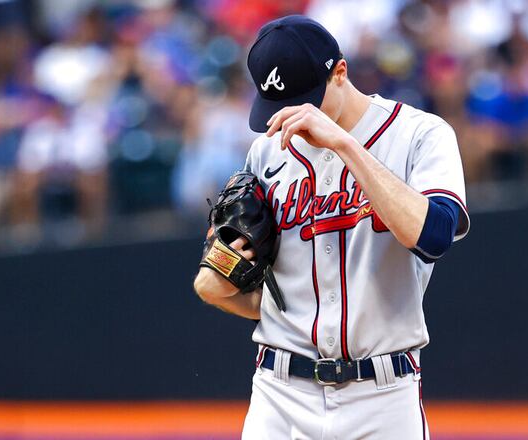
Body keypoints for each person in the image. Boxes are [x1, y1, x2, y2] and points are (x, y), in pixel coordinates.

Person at [193, 15, 469, 439]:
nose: (292, 116)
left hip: (383, 396)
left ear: (340, 72)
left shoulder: (420, 134)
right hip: (279, 394)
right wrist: (220, 278)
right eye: (279, 105)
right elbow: (225, 278)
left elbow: (433, 237)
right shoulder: (266, 151)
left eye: (305, 100)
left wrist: (343, 144)